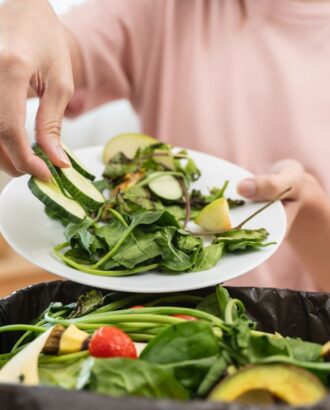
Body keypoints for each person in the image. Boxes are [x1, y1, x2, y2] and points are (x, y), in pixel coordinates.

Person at [1, 0, 330, 291]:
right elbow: (46, 54)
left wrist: (310, 211)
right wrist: (24, 12)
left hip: (289, 334)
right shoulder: (167, 7)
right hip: (147, 328)